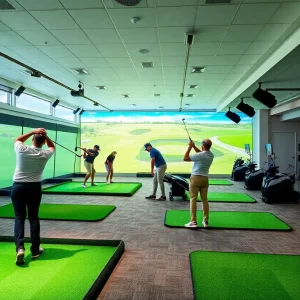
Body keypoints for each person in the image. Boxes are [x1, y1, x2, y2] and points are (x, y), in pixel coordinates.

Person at [11, 128, 55, 266]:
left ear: (32, 139)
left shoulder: (22, 149)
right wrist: (46, 136)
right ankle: (35, 250)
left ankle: (20, 248)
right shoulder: (45, 153)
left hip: (18, 187)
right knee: (33, 218)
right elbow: (52, 146)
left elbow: (17, 139)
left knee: (19, 218)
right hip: (34, 188)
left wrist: (33, 131)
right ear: (43, 142)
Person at [183, 139, 214, 228]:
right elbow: (201, 154)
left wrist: (189, 147)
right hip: (205, 179)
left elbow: (185, 158)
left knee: (193, 199)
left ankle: (193, 222)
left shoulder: (200, 155)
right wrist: (194, 147)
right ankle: (206, 221)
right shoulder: (211, 155)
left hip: (195, 178)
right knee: (204, 200)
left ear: (203, 145)